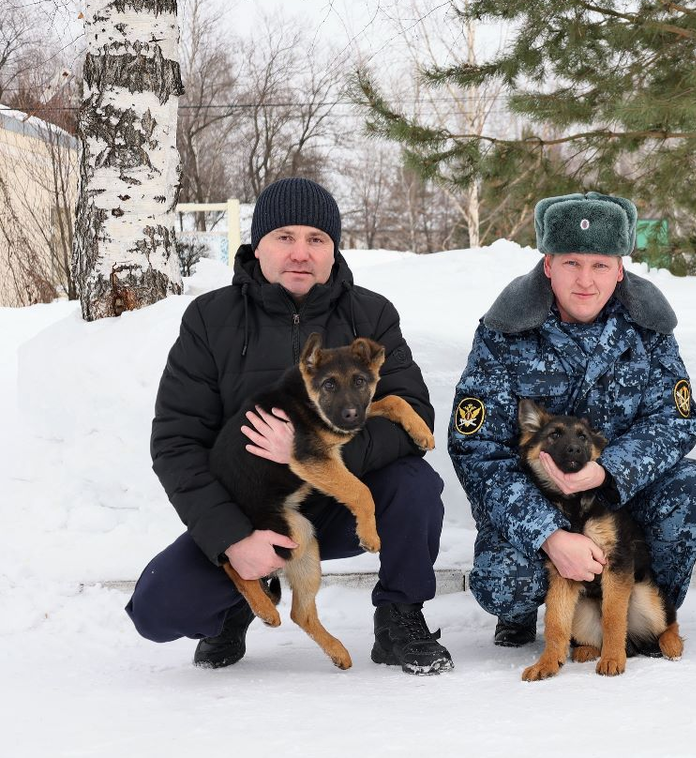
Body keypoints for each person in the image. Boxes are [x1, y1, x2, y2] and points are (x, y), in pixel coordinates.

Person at [126, 177, 453, 674]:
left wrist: (310, 457)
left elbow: (413, 413)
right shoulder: (210, 319)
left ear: (333, 249)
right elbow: (176, 443)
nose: (301, 252)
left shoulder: (371, 312)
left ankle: (400, 616)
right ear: (258, 246)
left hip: (342, 507)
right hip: (251, 508)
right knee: (159, 608)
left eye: (316, 239)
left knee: (415, 484)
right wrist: (232, 538)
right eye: (284, 237)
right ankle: (237, 603)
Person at [448, 191, 696, 648]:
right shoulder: (504, 332)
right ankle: (522, 615)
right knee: (504, 582)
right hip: (539, 500)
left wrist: (608, 471)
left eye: (600, 265)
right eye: (572, 263)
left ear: (620, 270)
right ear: (548, 266)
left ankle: (646, 616)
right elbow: (477, 451)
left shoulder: (647, 329)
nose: (585, 281)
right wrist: (549, 534)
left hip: (620, 502)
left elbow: (676, 421)